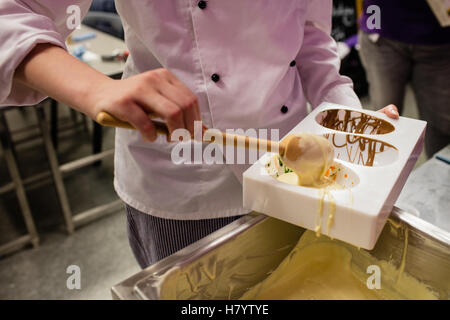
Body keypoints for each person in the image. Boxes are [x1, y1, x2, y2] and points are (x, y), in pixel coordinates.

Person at [0, 1, 398, 269]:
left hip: (291, 173)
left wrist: (346, 115)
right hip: (184, 176)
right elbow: (13, 13)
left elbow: (309, 34)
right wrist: (95, 89)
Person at [359, 0, 450, 157]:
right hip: (380, 28)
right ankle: (383, 178)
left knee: (441, 128)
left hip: (439, 37)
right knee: (384, 123)